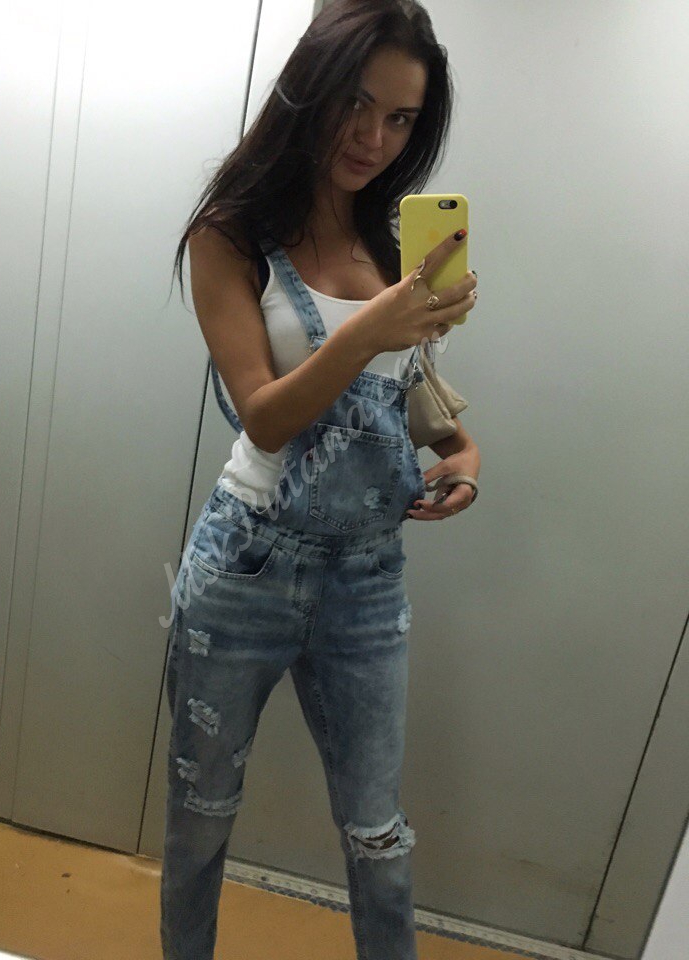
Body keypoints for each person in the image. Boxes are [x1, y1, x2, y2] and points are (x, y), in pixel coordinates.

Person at [161, 1, 480, 957]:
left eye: (400, 118)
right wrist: (373, 327)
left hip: (368, 579)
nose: (373, 137)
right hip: (247, 566)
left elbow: (408, 394)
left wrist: (461, 450)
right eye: (357, 103)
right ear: (311, 89)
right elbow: (264, 413)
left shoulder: (394, 243)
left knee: (380, 835)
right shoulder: (230, 235)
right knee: (201, 821)